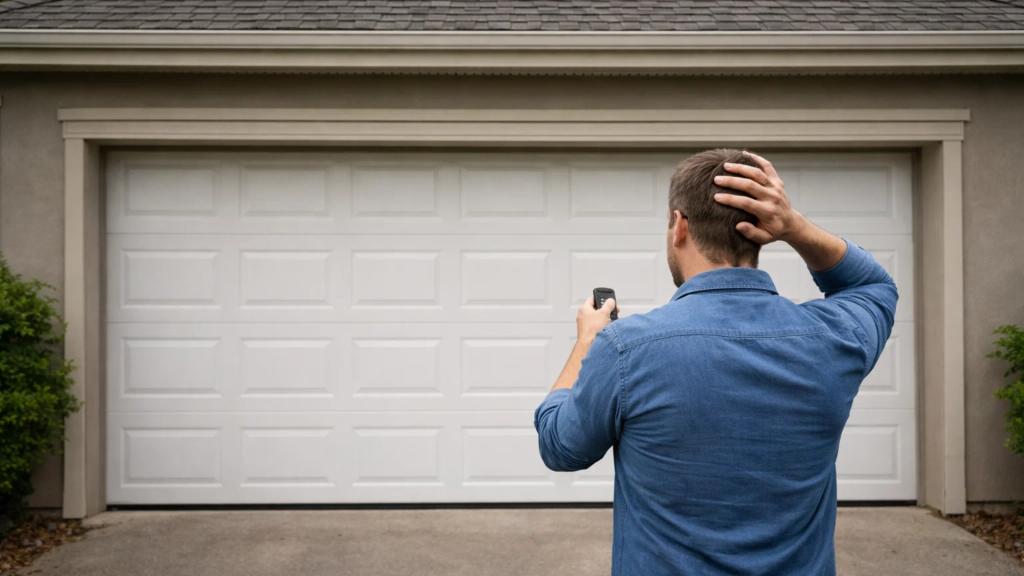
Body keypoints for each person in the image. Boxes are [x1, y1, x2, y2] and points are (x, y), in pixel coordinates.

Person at [533, 148, 898, 575]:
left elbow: (560, 447)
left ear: (679, 226)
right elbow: (872, 286)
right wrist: (794, 227)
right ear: (764, 227)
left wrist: (587, 343)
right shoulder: (833, 339)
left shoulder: (625, 349)